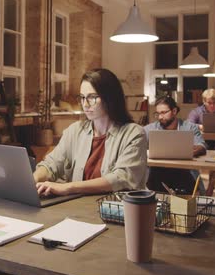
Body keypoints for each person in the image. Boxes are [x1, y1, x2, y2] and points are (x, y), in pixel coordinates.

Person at [33, 68, 148, 196]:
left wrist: (67, 188)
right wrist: (34, 180)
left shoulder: (134, 133)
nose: (85, 104)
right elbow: (51, 164)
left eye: (92, 97)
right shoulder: (74, 131)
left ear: (110, 98)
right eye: (82, 97)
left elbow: (121, 178)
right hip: (77, 208)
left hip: (114, 209)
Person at [144, 96, 206, 195]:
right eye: (158, 113)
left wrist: (197, 149)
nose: (160, 117)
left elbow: (201, 145)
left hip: (184, 172)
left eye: (164, 113)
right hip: (158, 174)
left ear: (174, 111)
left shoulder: (189, 127)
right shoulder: (149, 129)